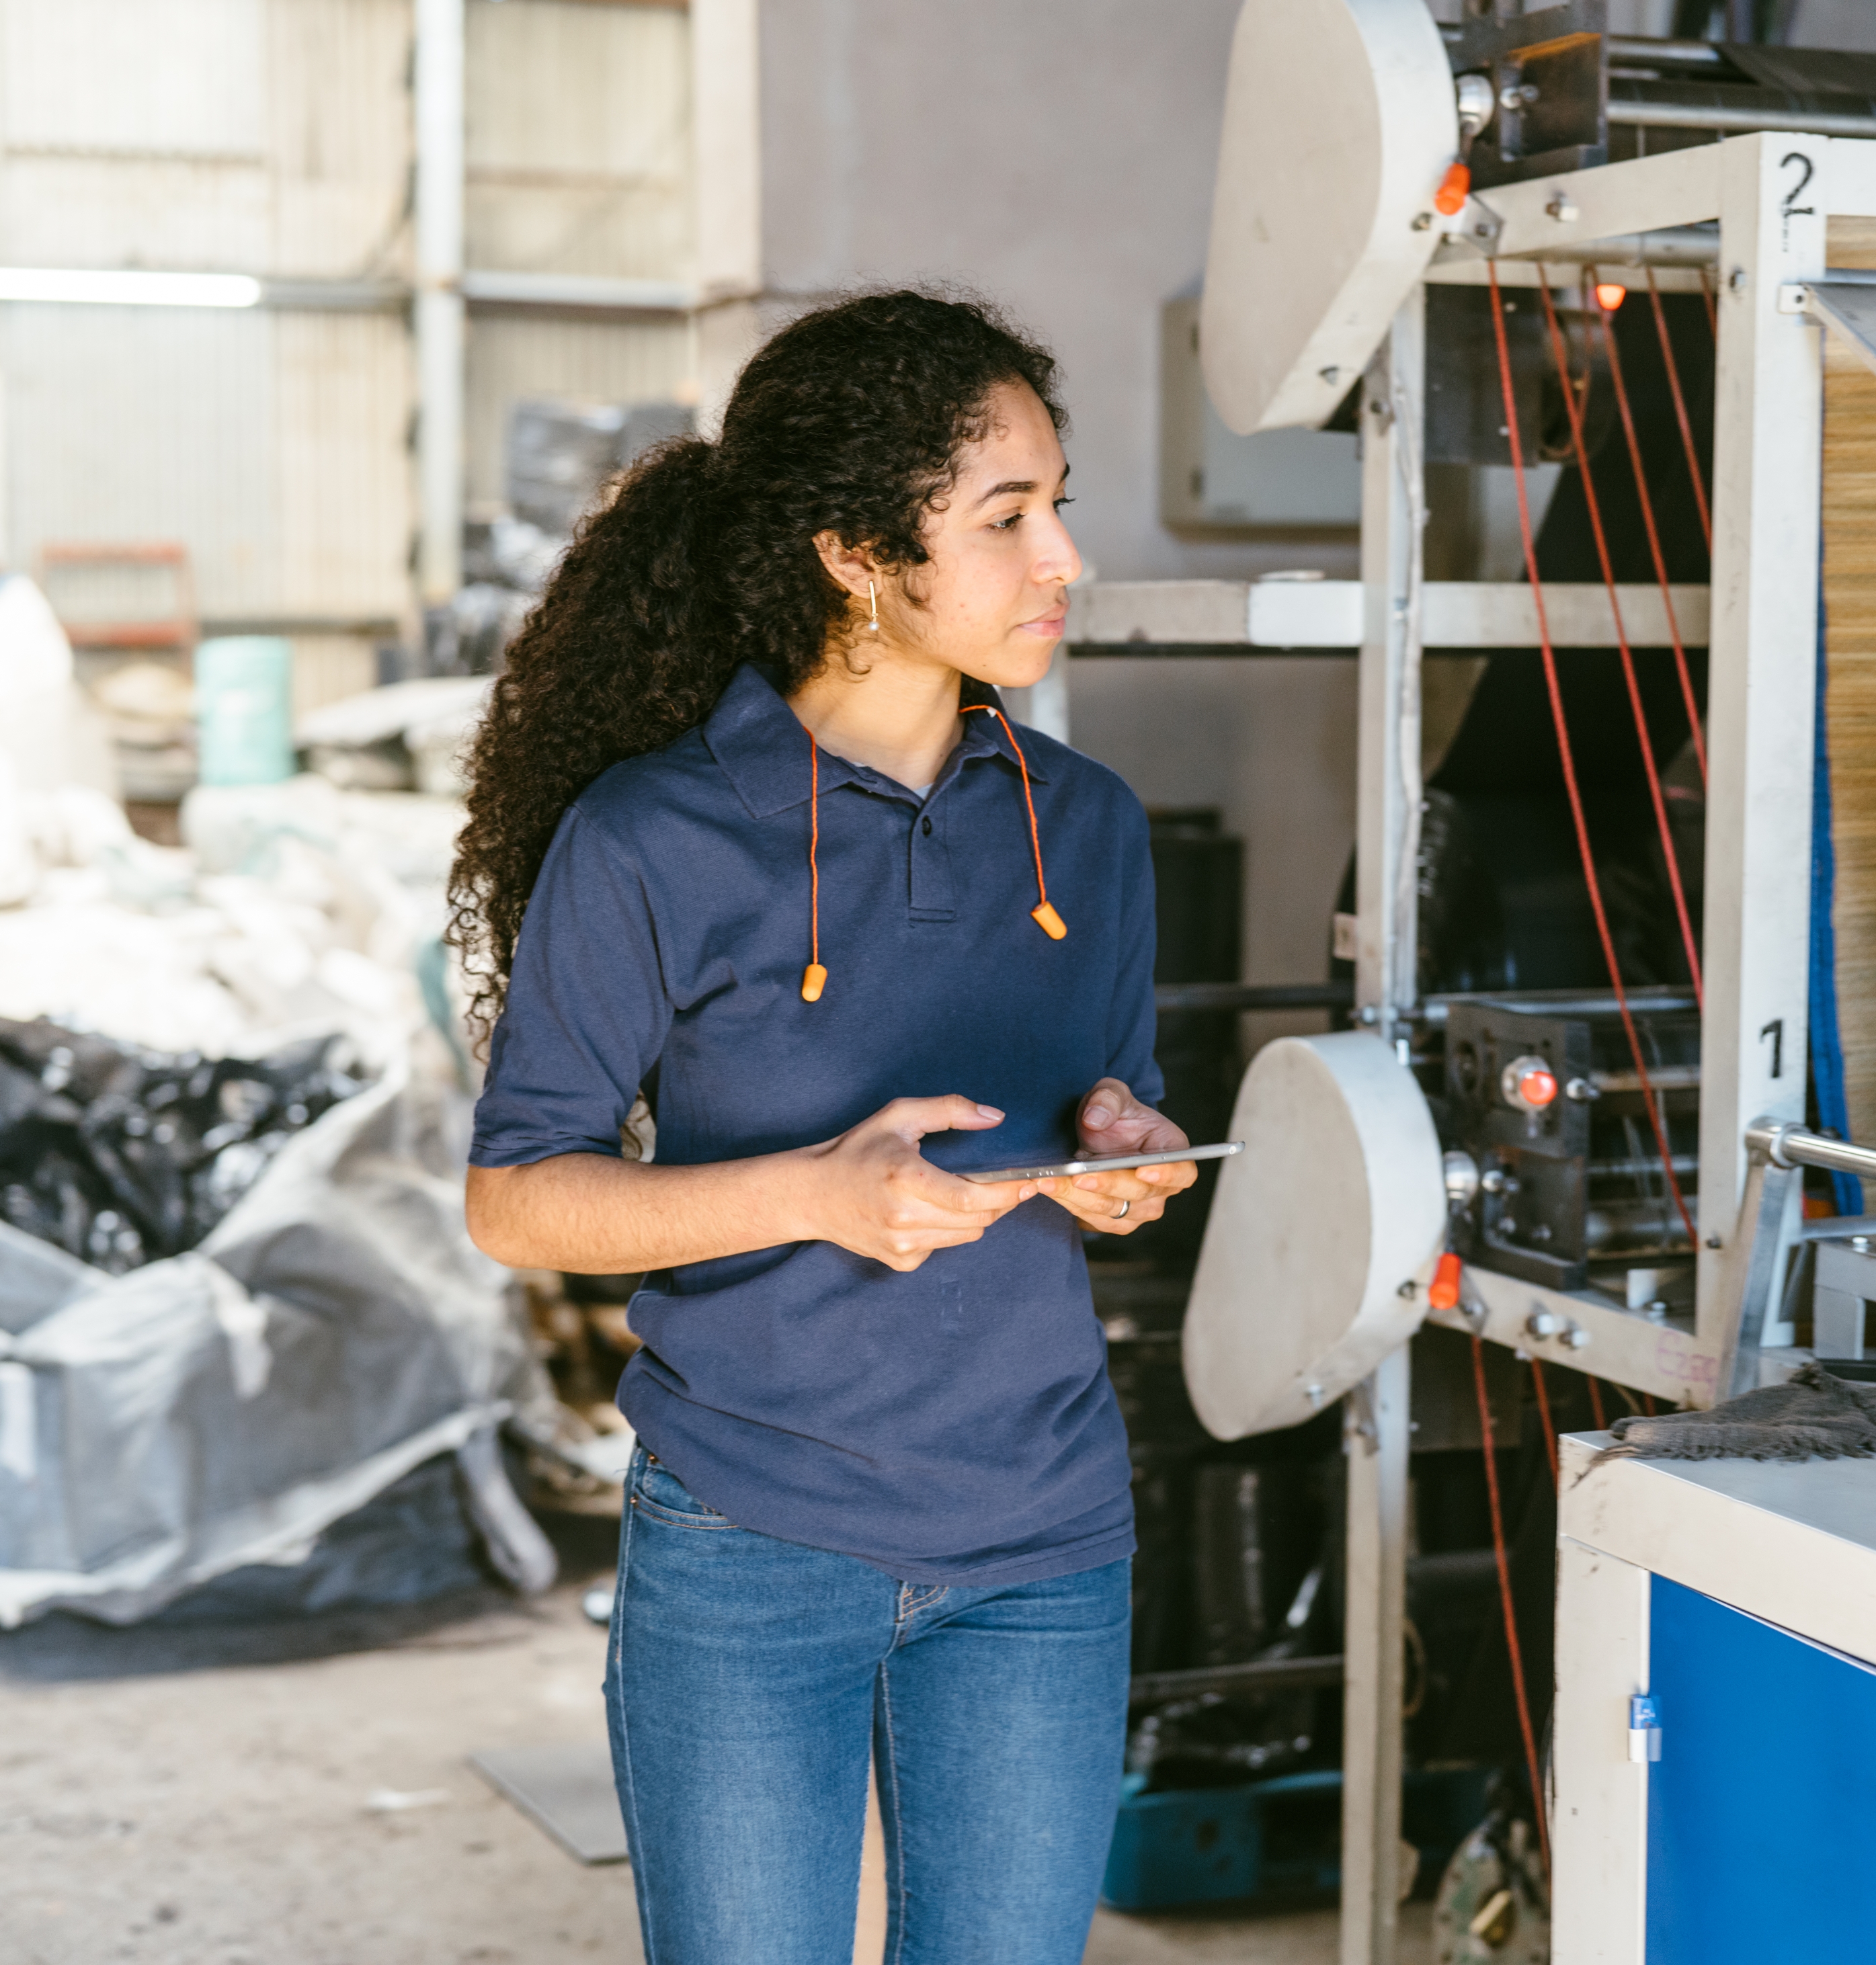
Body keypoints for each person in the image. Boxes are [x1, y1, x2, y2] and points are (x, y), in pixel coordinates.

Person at [452, 290, 1198, 1965]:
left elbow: (1098, 1107)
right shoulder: (653, 838)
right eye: (1005, 517)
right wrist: (816, 1191)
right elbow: (517, 1199)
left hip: (1042, 1540)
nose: (1061, 554)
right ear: (859, 555)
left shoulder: (1084, 826)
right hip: (747, 1539)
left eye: (1054, 501)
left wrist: (1115, 1154)